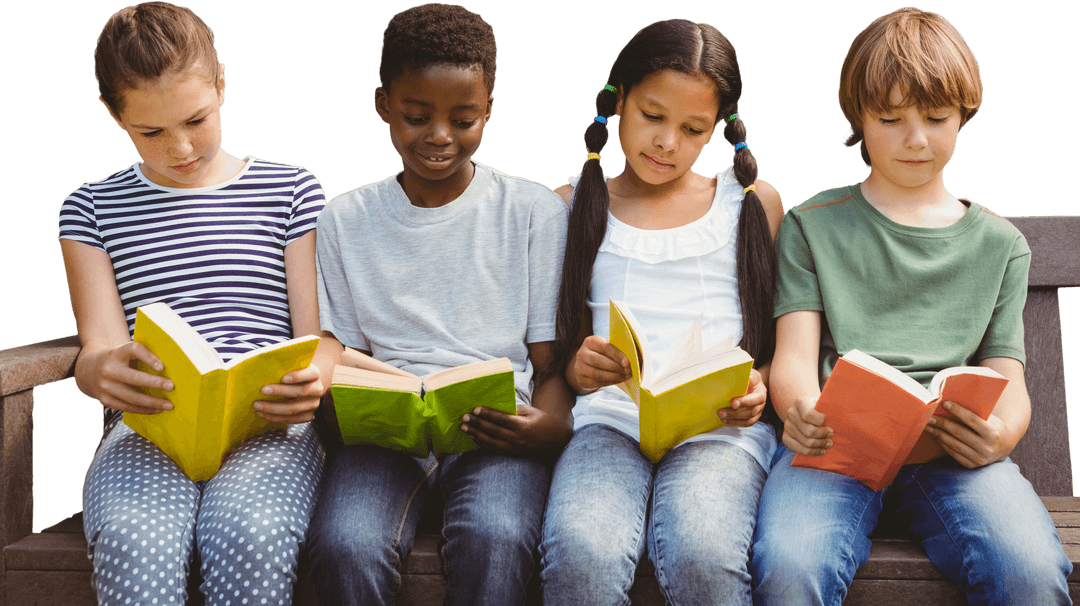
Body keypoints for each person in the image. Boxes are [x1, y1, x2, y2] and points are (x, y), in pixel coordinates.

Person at [750, 8, 1072, 605]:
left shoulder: (1000, 245)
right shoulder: (812, 225)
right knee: (790, 566)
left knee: (1030, 570)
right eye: (890, 118)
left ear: (964, 116)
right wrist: (799, 409)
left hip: (950, 455)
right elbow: (794, 354)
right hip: (835, 449)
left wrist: (999, 436)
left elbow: (1009, 376)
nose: (916, 138)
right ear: (859, 119)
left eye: (936, 117)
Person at [57, 3, 341, 604]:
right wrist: (100, 372)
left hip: (268, 426)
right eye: (151, 132)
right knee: (135, 539)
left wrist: (314, 378)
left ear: (220, 85)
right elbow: (98, 346)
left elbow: (318, 338)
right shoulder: (90, 208)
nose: (181, 147)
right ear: (114, 115)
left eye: (196, 119)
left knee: (251, 533)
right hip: (150, 429)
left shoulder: (290, 189)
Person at [304, 4, 572, 605]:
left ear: (489, 110)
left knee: (498, 534)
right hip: (386, 435)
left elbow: (549, 364)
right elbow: (340, 352)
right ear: (383, 106)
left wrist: (550, 426)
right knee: (345, 541)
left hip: (494, 430)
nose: (440, 136)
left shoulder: (531, 212)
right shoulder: (346, 218)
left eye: (464, 117)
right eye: (416, 116)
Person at [538, 19, 784, 605]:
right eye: (652, 116)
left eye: (692, 128)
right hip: (609, 422)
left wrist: (761, 388)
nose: (667, 142)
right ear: (617, 100)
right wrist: (579, 369)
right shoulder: (569, 206)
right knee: (581, 551)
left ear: (717, 132)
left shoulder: (750, 205)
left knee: (703, 551)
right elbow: (556, 355)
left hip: (719, 428)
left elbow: (781, 348)